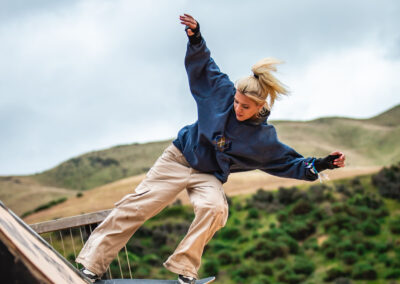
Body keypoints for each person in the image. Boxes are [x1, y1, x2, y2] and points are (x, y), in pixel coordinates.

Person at [76, 14, 346, 284]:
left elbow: (289, 162)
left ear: (260, 107)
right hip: (178, 159)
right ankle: (90, 265)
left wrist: (323, 164)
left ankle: (185, 268)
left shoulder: (263, 138)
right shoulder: (221, 92)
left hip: (208, 174)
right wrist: (195, 37)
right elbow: (204, 65)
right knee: (137, 207)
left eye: (245, 107)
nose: (238, 109)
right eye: (237, 102)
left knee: (215, 209)